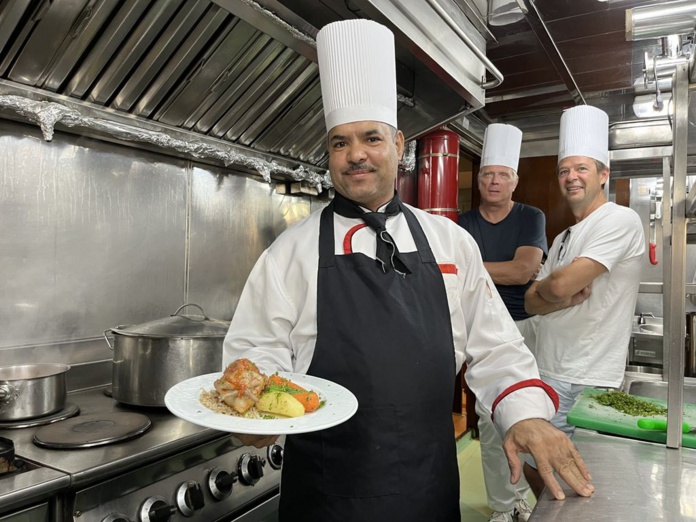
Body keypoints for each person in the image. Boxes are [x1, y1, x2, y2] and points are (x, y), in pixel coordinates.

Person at [223, 19, 593, 522]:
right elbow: (256, 353)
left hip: (428, 484)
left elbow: (497, 347)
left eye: (371, 138)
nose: (356, 154)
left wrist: (523, 416)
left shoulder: (450, 242)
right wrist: (254, 414)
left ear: (399, 145)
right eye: (339, 142)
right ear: (328, 154)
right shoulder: (291, 252)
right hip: (328, 491)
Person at [523, 105, 645, 496]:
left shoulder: (619, 220)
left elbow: (555, 287)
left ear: (603, 174)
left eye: (581, 169)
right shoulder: (562, 239)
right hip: (548, 369)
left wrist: (554, 291)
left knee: (582, 483)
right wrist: (557, 293)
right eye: (564, 170)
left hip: (592, 379)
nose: (571, 178)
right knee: (535, 467)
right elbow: (531, 301)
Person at [459, 123, 547, 522]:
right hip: (477, 330)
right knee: (489, 421)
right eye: (488, 175)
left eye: (502, 175)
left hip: (523, 328)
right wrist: (497, 269)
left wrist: (474, 269)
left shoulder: (531, 217)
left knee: (529, 417)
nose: (494, 181)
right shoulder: (462, 224)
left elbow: (523, 271)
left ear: (514, 181)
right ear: (479, 181)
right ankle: (503, 506)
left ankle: (532, 500)